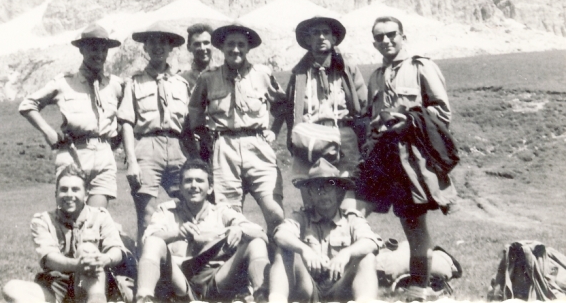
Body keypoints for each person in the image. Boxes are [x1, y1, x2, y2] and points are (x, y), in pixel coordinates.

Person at [356, 16, 459, 302]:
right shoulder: (376, 76)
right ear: (374, 43)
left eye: (392, 34)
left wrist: (410, 120)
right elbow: (370, 116)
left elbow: (442, 112)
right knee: (354, 211)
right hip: (381, 157)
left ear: (403, 37)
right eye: (380, 37)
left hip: (410, 158)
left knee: (413, 225)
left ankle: (418, 289)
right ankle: (347, 279)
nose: (386, 40)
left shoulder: (420, 67)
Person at [188, 23, 286, 234]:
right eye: (230, 44)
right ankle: (243, 254)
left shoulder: (262, 74)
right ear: (222, 48)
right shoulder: (208, 78)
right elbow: (195, 110)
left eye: (241, 44)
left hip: (258, 147)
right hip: (224, 149)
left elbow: (283, 105)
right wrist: (206, 138)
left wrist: (274, 131)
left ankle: (276, 253)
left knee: (275, 213)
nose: (235, 49)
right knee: (229, 216)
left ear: (248, 48)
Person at [18, 24, 125, 208]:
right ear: (82, 50)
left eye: (104, 50)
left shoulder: (115, 85)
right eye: (94, 49)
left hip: (104, 157)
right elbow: (27, 105)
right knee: (71, 217)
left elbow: (129, 113)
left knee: (97, 218)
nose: (99, 54)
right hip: (73, 154)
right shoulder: (64, 83)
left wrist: (118, 137)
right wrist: (48, 132)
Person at [135, 159, 270, 303]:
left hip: (216, 279)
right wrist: (177, 234)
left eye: (199, 181)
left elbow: (261, 234)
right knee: (154, 242)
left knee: (256, 243)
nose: (194, 185)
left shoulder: (221, 211)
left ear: (210, 188)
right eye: (188, 181)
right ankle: (144, 298)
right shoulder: (167, 210)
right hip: (179, 280)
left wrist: (240, 230)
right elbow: (148, 238)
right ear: (180, 187)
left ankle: (261, 297)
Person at [271, 16, 367, 206]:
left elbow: (363, 106)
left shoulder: (347, 69)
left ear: (334, 38)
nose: (321, 37)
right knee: (311, 201)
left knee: (346, 201)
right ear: (308, 39)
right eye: (315, 33)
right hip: (309, 139)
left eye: (326, 32)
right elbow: (289, 110)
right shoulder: (299, 74)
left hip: (343, 138)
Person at [2, 165, 133, 303]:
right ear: (56, 194)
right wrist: (77, 265)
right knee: (11, 288)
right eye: (64, 190)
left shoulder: (100, 216)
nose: (69, 195)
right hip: (57, 286)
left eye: (75, 189)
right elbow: (50, 258)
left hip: (93, 283)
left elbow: (116, 250)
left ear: (86, 194)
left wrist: (103, 259)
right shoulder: (43, 220)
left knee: (87, 250)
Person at [118, 22, 192, 245]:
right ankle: (145, 264)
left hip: (178, 147)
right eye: (153, 42)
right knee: (146, 216)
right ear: (145, 48)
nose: (158, 47)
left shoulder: (182, 84)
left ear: (171, 48)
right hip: (147, 147)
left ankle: (186, 262)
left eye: (163, 42)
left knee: (189, 208)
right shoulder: (134, 82)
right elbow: (126, 122)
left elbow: (189, 124)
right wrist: (132, 161)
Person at [270, 158, 380, 303]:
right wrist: (305, 250)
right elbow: (280, 234)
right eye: (316, 188)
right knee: (284, 251)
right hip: (308, 287)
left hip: (340, 288)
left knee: (367, 257)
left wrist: (346, 253)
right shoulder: (301, 217)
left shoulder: (351, 218)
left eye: (329, 187)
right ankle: (277, 300)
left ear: (338, 191)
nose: (322, 193)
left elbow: (371, 242)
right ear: (310, 193)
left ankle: (365, 300)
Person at [180, 23, 215, 92]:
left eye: (206, 43)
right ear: (188, 47)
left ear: (213, 45)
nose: (202, 48)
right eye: (197, 44)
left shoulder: (223, 75)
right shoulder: (182, 79)